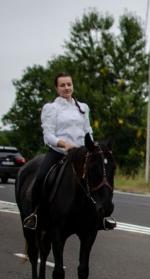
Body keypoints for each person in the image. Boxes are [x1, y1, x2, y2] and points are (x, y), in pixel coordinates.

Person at [23, 73, 115, 231]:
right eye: (62, 85)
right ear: (57, 88)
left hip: (81, 153)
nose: (67, 88)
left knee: (101, 176)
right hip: (59, 152)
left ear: (73, 85)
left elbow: (88, 131)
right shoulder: (51, 108)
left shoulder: (83, 107)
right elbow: (48, 135)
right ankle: (35, 215)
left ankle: (102, 217)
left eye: (69, 84)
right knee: (41, 176)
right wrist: (63, 143)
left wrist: (92, 146)